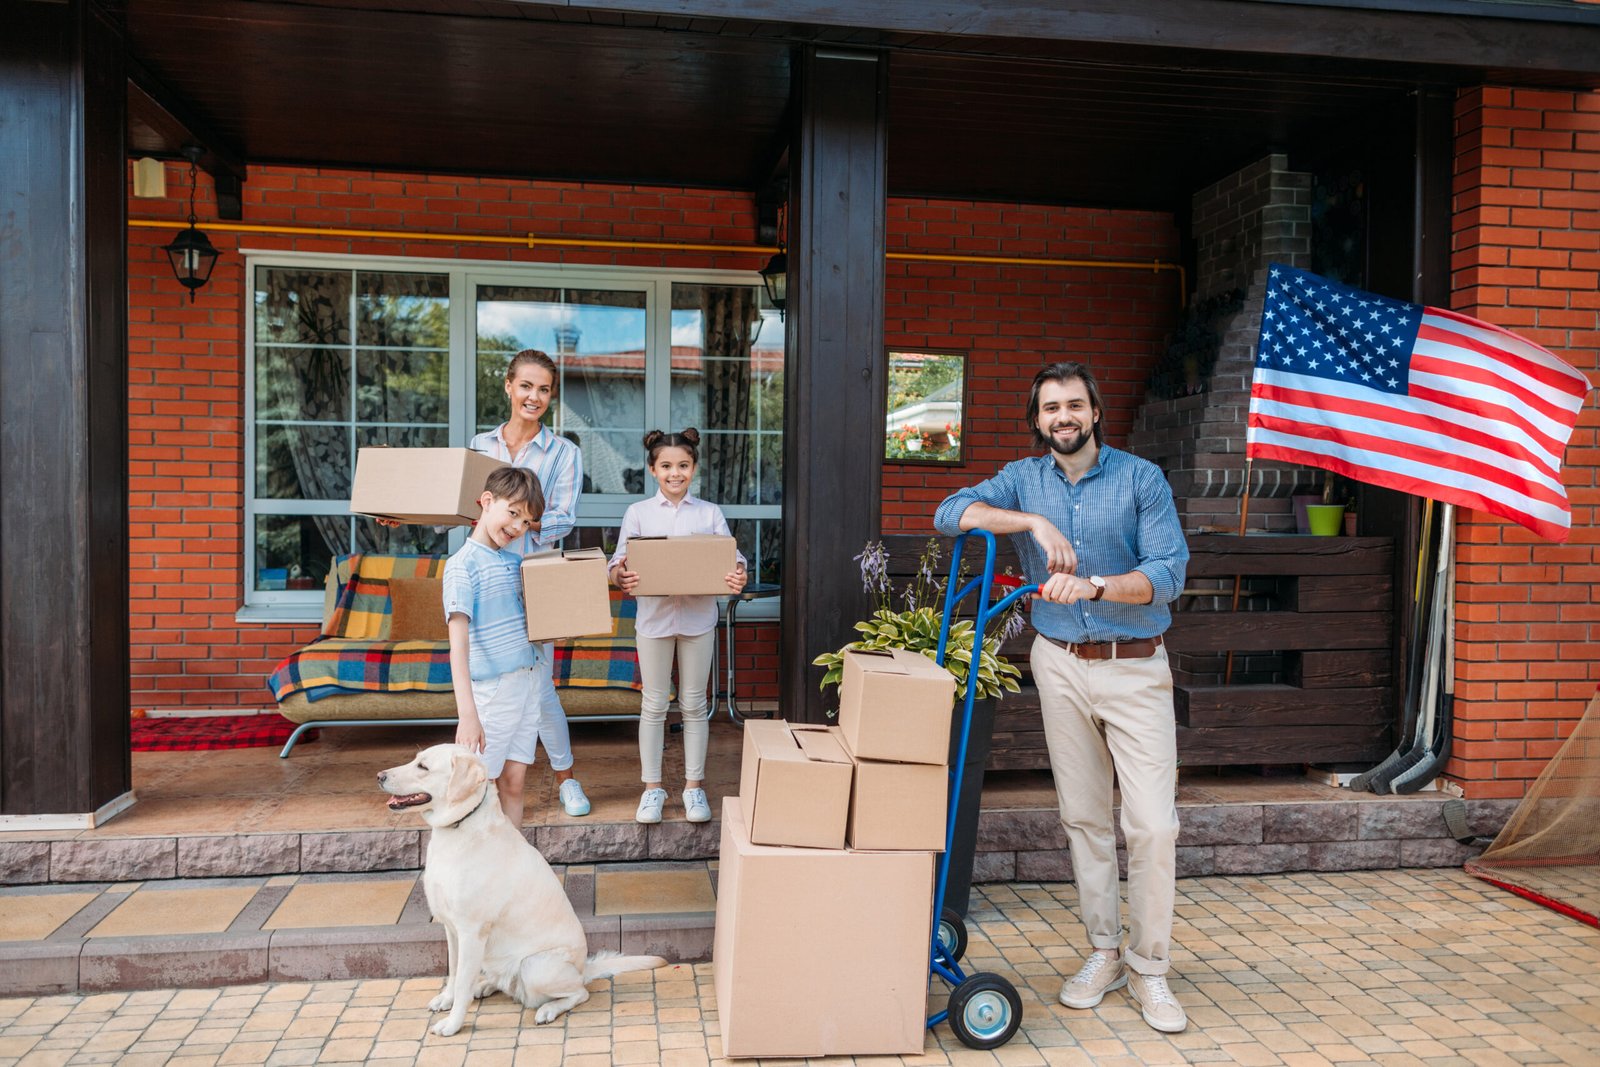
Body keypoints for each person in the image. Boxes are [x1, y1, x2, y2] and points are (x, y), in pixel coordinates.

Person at [933, 361, 1191, 1034]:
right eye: (1051, 408)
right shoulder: (1023, 478)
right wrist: (1034, 525)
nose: (1063, 416)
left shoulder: (1142, 478)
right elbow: (949, 512)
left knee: (1153, 825)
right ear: (1038, 419)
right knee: (1082, 818)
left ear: (1096, 412)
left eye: (1074, 404)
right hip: (1059, 665)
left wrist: (1099, 585)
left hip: (1134, 666)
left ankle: (1151, 967)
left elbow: (1168, 574)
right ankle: (1105, 950)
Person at [470, 349, 592, 818]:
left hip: (536, 581)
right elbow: (461, 508)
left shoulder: (564, 453)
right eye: (526, 386)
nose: (533, 397)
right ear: (508, 386)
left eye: (543, 389)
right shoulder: (480, 446)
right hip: (485, 579)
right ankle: (484, 788)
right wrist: (407, 517)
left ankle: (566, 779)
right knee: (490, 686)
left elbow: (562, 519)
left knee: (540, 689)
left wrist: (518, 519)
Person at [608, 429, 747, 824]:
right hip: (653, 620)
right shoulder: (638, 513)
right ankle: (652, 789)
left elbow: (733, 560)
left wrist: (738, 574)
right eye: (666, 466)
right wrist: (622, 576)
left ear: (694, 468)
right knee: (653, 704)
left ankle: (693, 788)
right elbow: (618, 563)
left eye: (683, 466)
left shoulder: (709, 513)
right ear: (653, 470)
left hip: (698, 619)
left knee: (694, 705)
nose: (675, 473)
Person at [441, 466, 547, 826]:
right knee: (477, 787)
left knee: (514, 783)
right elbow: (459, 647)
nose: (517, 527)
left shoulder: (518, 563)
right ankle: (474, 874)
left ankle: (510, 867)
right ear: (486, 502)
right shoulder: (462, 566)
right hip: (493, 692)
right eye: (513, 513)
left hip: (528, 681)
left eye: (527, 522)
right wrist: (467, 714)